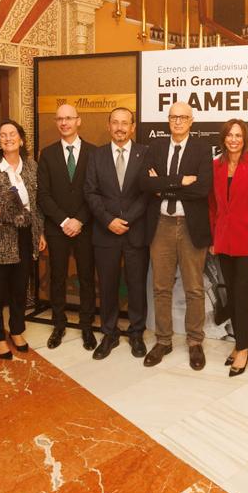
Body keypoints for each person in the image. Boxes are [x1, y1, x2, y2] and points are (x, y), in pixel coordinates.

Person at [140, 101, 213, 370]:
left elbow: (203, 188)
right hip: (162, 224)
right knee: (161, 287)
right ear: (168, 120)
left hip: (190, 224)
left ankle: (195, 342)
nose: (178, 121)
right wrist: (181, 181)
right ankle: (163, 340)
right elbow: (145, 183)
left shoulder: (203, 148)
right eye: (173, 117)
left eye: (183, 117)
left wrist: (164, 184)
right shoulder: (156, 147)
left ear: (192, 121)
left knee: (194, 288)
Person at [0, 121, 46, 360]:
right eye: (3, 135)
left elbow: (36, 206)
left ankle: (16, 330)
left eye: (12, 134)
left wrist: (40, 232)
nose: (8, 138)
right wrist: (0, 212)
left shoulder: (32, 167)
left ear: (21, 139)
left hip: (25, 236)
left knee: (19, 288)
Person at [83, 108, 150, 360]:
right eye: (115, 123)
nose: (120, 127)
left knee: (136, 286)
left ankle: (136, 333)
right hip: (105, 232)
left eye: (125, 123)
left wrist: (127, 219)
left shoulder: (145, 154)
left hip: (135, 232)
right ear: (108, 125)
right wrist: (109, 220)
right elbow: (90, 192)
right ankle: (109, 333)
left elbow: (146, 192)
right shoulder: (96, 155)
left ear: (133, 127)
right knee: (108, 285)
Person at [208, 119, 248, 377]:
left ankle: (243, 348)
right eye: (230, 135)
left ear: (245, 140)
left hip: (246, 243)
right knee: (231, 295)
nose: (234, 140)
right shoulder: (215, 166)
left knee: (242, 297)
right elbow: (212, 207)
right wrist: (213, 239)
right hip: (223, 242)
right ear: (223, 139)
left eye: (238, 135)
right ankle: (238, 342)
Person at [36, 104, 97, 351]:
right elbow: (43, 194)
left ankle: (86, 326)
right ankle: (58, 324)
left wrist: (79, 220)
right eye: (60, 118)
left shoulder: (94, 153)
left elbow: (95, 191)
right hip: (57, 228)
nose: (64, 123)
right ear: (56, 122)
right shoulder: (47, 154)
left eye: (69, 118)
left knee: (86, 278)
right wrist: (64, 221)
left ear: (78, 121)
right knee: (57, 277)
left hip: (86, 226)